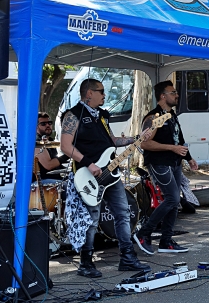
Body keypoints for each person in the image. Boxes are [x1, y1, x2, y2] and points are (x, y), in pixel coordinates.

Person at [60, 78, 154, 277]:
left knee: (123, 213)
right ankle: (86, 263)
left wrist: (136, 138)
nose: (104, 95)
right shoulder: (73, 115)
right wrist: (88, 162)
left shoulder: (102, 115)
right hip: (87, 174)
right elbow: (66, 146)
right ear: (89, 93)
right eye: (100, 91)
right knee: (92, 219)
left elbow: (111, 140)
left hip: (110, 173)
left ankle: (127, 257)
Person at [135, 81, 197, 255]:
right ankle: (143, 234)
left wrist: (189, 158)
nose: (176, 95)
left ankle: (166, 241)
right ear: (163, 96)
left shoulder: (171, 115)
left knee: (174, 201)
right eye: (173, 92)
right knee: (172, 199)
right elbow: (145, 144)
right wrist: (172, 148)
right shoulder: (153, 118)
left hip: (175, 162)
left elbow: (179, 140)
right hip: (160, 162)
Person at [34, 111, 63, 179]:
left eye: (49, 123)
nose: (48, 125)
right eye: (43, 124)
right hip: (42, 183)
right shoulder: (36, 141)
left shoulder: (50, 141)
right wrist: (69, 154)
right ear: (36, 127)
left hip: (54, 180)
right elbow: (49, 165)